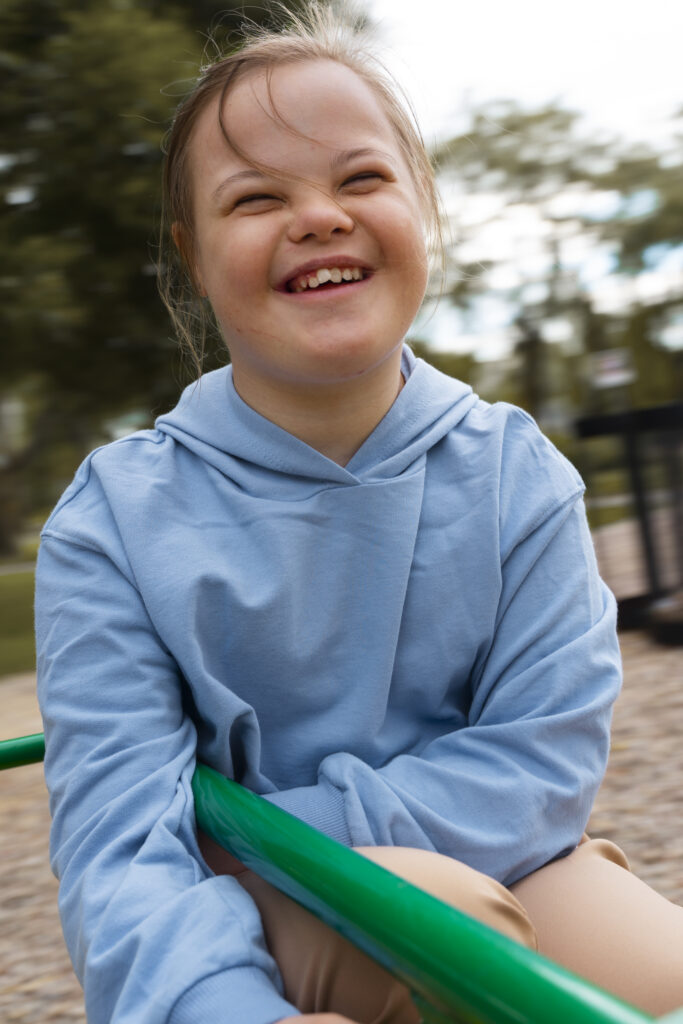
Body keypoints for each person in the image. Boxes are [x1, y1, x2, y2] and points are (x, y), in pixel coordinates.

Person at [35, 5, 683, 1023]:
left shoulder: (517, 474)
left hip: (503, 858)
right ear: (194, 257)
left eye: (361, 178)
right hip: (241, 914)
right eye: (256, 196)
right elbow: (123, 849)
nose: (318, 216)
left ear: (422, 209)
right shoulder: (112, 521)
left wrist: (263, 828)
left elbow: (542, 760)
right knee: (441, 917)